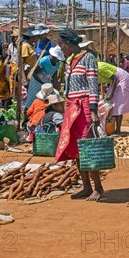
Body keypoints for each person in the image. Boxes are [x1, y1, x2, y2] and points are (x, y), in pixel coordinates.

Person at [54, 29, 102, 202]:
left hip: (84, 108)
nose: (61, 48)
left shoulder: (88, 58)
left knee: (87, 147)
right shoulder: (69, 61)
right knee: (75, 148)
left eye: (61, 44)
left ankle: (98, 187)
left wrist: (94, 110)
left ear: (68, 43)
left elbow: (93, 85)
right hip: (71, 108)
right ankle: (86, 186)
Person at [98, 60, 129, 134]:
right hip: (116, 80)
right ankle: (110, 128)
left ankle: (118, 130)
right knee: (111, 103)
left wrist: (111, 93)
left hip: (122, 79)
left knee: (118, 104)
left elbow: (115, 78)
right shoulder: (92, 71)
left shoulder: (99, 67)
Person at [25, 45, 64, 109]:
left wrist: (56, 89)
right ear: (54, 56)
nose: (58, 60)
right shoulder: (44, 60)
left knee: (45, 100)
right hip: (36, 81)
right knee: (32, 99)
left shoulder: (57, 64)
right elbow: (34, 73)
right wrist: (42, 83)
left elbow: (54, 77)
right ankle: (27, 113)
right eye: (58, 58)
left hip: (47, 83)